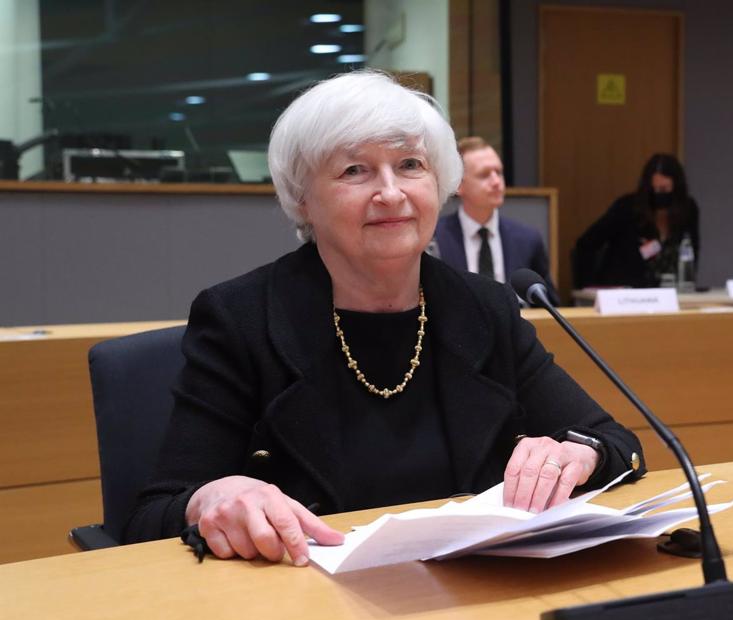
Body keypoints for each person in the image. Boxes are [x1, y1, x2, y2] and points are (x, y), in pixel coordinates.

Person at [124, 71, 645, 566]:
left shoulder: (484, 307)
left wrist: (577, 455)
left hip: (478, 593)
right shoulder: (241, 319)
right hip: (308, 604)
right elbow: (151, 516)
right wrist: (213, 497)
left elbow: (616, 442)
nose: (392, 192)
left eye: (411, 166)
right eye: (356, 170)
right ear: (303, 198)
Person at [433, 137, 560, 304]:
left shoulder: (527, 239)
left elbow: (550, 305)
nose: (496, 181)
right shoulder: (435, 238)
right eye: (484, 175)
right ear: (459, 185)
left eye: (498, 172)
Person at [574, 154, 700, 288]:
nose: (659, 195)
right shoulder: (628, 208)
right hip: (625, 289)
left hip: (671, 289)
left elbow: (693, 252)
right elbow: (586, 244)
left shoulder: (688, 210)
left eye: (664, 189)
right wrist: (587, 286)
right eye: (654, 190)